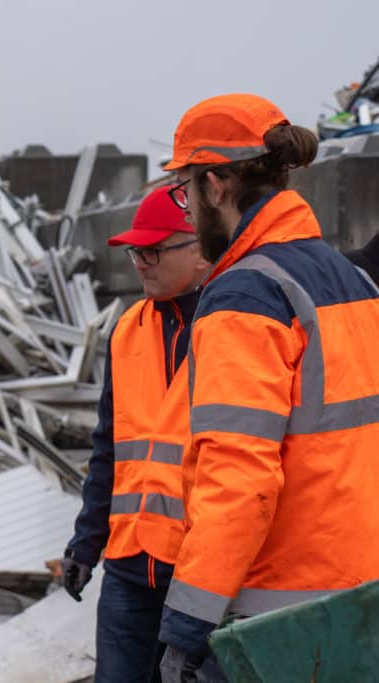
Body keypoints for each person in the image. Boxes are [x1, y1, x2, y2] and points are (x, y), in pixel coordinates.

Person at [156, 93, 379, 681]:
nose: (186, 209)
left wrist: (187, 624)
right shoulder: (348, 278)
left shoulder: (246, 297)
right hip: (361, 598)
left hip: (278, 620)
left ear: (217, 184)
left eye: (185, 190)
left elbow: (238, 479)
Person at [61, 186, 211, 683]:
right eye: (135, 252)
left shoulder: (238, 325)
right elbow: (108, 448)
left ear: (201, 247)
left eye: (153, 251)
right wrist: (87, 543)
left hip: (200, 573)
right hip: (129, 565)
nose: (140, 264)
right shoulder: (127, 330)